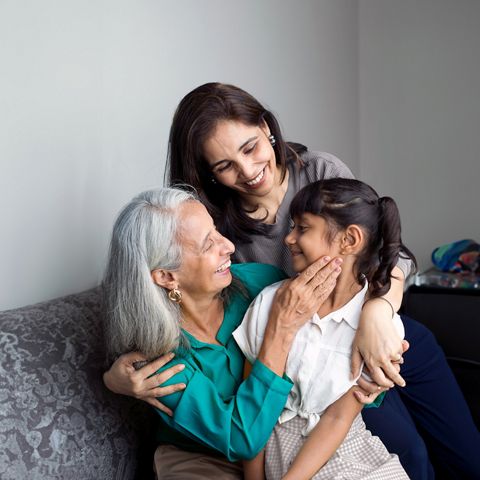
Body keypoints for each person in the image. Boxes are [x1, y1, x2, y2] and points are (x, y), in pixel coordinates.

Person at [104, 83, 480, 479]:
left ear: (266, 128)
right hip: (318, 356)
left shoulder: (317, 173)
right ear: (208, 174)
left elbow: (384, 251)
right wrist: (114, 379)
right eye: (225, 166)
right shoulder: (221, 236)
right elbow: (254, 356)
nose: (247, 172)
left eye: (249, 149)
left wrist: (378, 311)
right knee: (408, 451)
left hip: (375, 323)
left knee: (464, 453)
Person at [103, 187, 360, 478]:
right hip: (202, 459)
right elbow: (240, 439)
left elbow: (347, 300)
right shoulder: (157, 360)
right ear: (167, 276)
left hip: (282, 440)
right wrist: (281, 328)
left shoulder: (261, 283)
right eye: (207, 244)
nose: (228, 246)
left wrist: (380, 316)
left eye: (215, 230)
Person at [234, 178, 412, 480]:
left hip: (346, 449)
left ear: (350, 240)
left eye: (302, 228)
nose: (288, 239)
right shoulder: (270, 303)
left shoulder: (382, 329)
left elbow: (338, 418)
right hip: (283, 449)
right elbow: (252, 406)